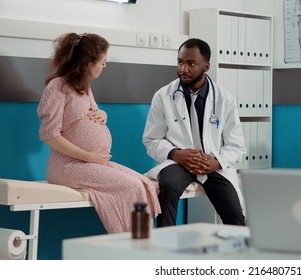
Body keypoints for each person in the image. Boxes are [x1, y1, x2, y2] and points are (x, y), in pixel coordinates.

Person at [37, 32, 161, 233]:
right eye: (102, 62)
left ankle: (139, 242)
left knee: (144, 183)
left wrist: (103, 114)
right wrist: (88, 155)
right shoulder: (57, 86)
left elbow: (92, 113)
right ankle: (130, 243)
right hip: (67, 166)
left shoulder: (83, 85)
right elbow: (49, 134)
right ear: (87, 63)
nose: (104, 66)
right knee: (131, 187)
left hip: (90, 162)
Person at [143, 38, 246, 227]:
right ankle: (165, 249)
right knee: (168, 188)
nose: (183, 69)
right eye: (180, 62)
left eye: (191, 63)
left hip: (212, 165)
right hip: (177, 163)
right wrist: (176, 154)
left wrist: (217, 162)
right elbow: (151, 140)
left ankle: (240, 254)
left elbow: (236, 146)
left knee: (235, 214)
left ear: (206, 66)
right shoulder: (163, 96)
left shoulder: (224, 99)